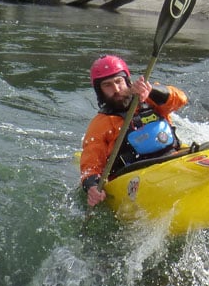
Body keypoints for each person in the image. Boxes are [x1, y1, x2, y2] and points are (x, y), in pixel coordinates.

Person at [79, 54, 188, 206]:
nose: (116, 89)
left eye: (119, 81)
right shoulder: (99, 126)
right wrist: (91, 187)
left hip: (172, 160)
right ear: (100, 91)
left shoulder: (150, 99)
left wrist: (151, 91)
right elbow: (90, 168)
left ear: (127, 81)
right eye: (108, 85)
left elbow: (181, 99)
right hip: (137, 178)